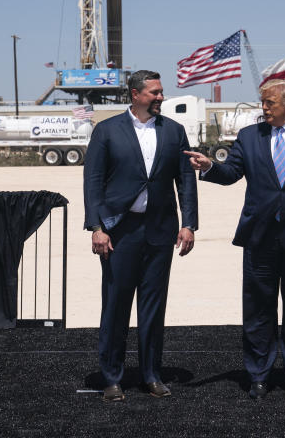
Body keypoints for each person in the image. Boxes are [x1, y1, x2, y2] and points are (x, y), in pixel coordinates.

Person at [185, 80, 285, 399]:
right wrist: (210, 166)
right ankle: (258, 374)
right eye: (262, 102)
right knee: (258, 310)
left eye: (270, 103)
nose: (263, 108)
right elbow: (231, 174)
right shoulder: (249, 136)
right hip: (259, 237)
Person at [83, 70, 198, 402]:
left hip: (160, 232)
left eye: (161, 92)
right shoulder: (107, 131)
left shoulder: (174, 132)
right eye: (155, 92)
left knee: (153, 307)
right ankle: (112, 378)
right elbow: (93, 182)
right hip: (120, 232)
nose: (161, 96)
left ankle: (151, 375)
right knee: (116, 306)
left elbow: (185, 182)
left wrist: (188, 223)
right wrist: (97, 228)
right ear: (135, 94)